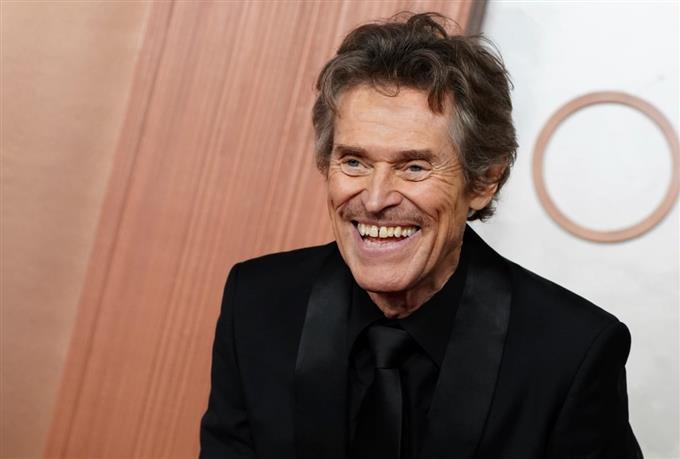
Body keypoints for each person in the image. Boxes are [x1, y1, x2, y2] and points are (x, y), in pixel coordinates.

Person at [199, 12, 642, 459]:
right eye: (354, 162)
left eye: (414, 167)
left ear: (484, 180)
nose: (375, 199)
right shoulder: (256, 305)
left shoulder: (572, 352)